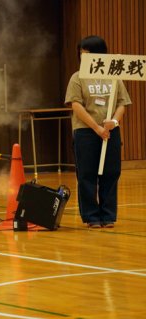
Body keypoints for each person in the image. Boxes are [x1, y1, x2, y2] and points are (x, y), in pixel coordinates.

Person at [65, 35, 131, 228]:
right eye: (81, 54)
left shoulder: (114, 76)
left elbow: (122, 103)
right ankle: (91, 217)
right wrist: (97, 128)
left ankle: (108, 215)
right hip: (86, 132)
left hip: (110, 131)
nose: (83, 57)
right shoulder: (77, 77)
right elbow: (76, 105)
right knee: (87, 174)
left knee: (111, 172)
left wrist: (113, 121)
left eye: (87, 54)